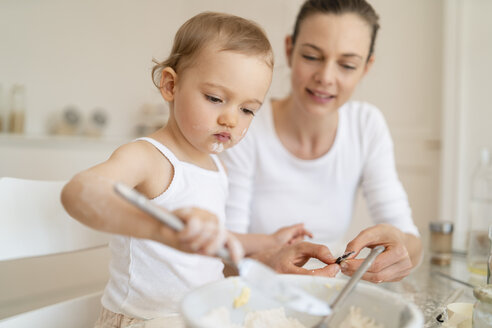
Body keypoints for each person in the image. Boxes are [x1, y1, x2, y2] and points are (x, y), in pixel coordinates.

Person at [60, 11, 293, 327]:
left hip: (199, 316)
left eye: (247, 109)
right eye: (215, 98)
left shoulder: (216, 169)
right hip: (145, 319)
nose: (231, 119)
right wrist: (162, 231)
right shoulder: (148, 157)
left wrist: (267, 242)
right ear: (170, 85)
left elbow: (211, 238)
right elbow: (78, 193)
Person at [221, 0, 423, 283]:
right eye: (312, 57)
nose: (326, 77)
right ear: (290, 51)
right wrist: (265, 263)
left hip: (330, 293)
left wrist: (400, 247)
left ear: (366, 67)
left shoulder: (366, 126)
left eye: (347, 65)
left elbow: (411, 243)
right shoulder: (246, 125)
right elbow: (221, 254)